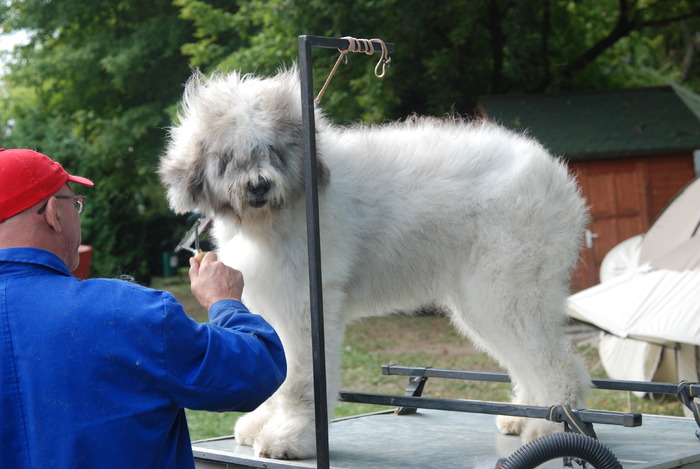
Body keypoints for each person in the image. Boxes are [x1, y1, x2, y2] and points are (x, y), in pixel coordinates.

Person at [0, 148, 286, 468]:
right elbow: (257, 370)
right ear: (54, 213)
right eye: (75, 204)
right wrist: (225, 301)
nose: (77, 214)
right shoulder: (126, 314)